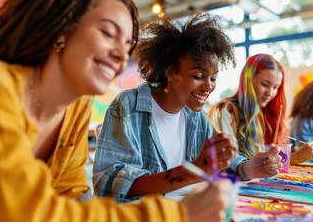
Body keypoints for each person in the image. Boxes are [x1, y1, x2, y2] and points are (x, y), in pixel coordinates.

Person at [0, 0, 233, 221]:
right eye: (108, 33)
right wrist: (179, 214)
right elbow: (26, 211)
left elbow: (72, 194)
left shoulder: (76, 108)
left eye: (128, 45)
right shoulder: (0, 88)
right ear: (63, 28)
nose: (122, 55)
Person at [93, 13, 238, 203]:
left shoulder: (196, 117)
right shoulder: (128, 106)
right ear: (170, 72)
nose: (209, 86)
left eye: (213, 78)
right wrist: (193, 171)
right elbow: (109, 187)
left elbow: (221, 163)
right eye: (198, 76)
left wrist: (250, 166)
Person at [209, 54, 290, 180]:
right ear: (248, 81)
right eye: (265, 84)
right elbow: (226, 156)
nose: (270, 93)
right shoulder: (225, 110)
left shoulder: (263, 116)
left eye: (275, 87)